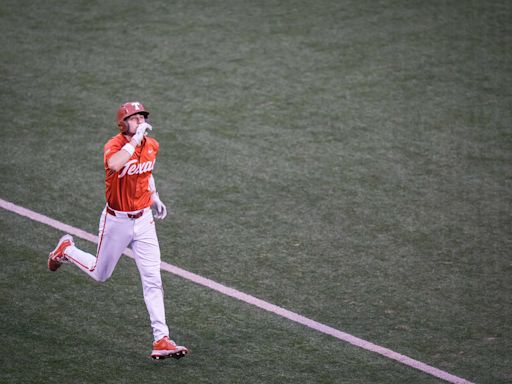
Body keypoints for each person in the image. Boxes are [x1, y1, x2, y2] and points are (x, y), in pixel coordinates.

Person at [47, 101, 188, 360]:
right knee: (101, 274)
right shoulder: (114, 146)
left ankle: (161, 339)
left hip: (144, 221)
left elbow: (146, 173)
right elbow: (115, 164)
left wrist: (154, 196)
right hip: (117, 222)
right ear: (123, 124)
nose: (141, 121)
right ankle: (67, 250)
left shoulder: (151, 145)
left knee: (153, 278)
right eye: (135, 118)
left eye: (142, 117)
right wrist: (134, 142)